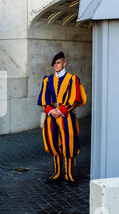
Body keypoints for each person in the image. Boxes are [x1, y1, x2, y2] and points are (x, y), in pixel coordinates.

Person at [37, 51, 87, 185]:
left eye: (58, 63)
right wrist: (50, 110)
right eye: (54, 64)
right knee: (52, 142)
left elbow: (76, 98)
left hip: (66, 115)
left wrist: (61, 110)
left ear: (64, 63)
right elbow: (44, 99)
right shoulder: (47, 80)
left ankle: (69, 174)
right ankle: (58, 172)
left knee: (69, 143)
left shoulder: (72, 79)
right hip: (51, 115)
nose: (56, 66)